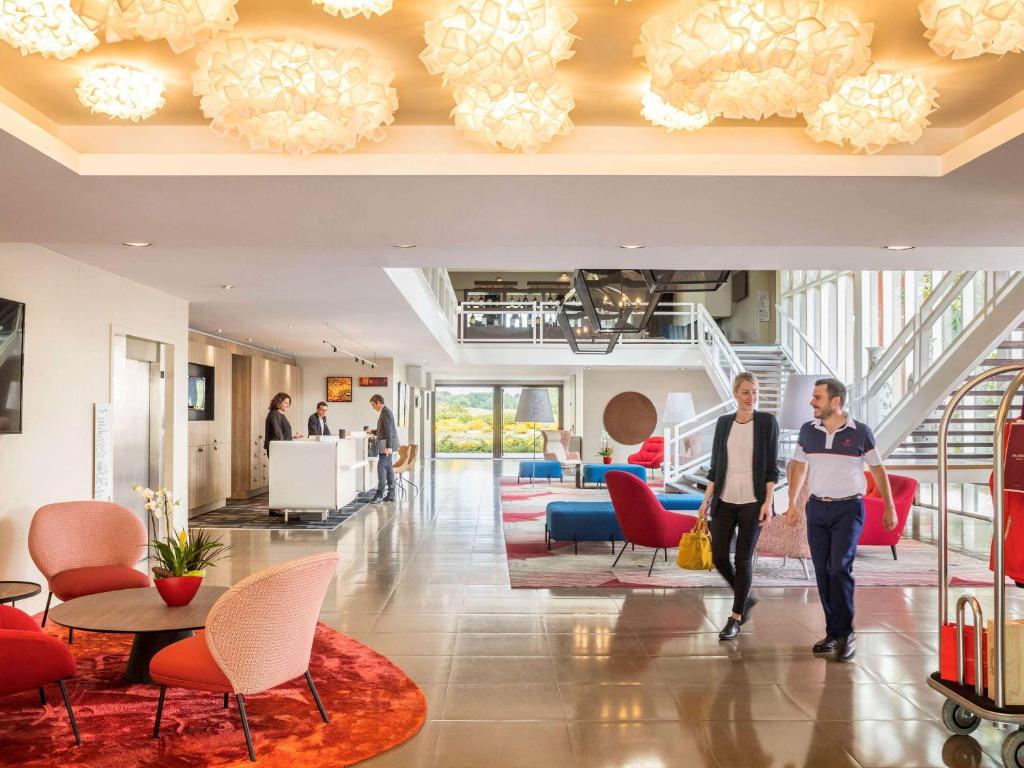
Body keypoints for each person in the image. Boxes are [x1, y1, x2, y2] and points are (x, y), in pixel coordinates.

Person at [786, 377, 897, 662]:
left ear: (835, 401)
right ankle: (833, 633)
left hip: (849, 510)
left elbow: (878, 470)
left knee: (839, 568)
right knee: (823, 571)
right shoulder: (808, 431)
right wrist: (792, 504)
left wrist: (890, 507)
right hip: (817, 509)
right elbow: (798, 466)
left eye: (817, 398)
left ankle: (845, 633)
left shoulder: (860, 432)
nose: (812, 402)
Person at [699, 372, 780, 641]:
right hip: (724, 498)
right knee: (719, 556)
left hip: (753, 502)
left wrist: (768, 502)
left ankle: (735, 617)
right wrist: (706, 500)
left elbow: (771, 468)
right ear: (735, 393)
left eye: (755, 392)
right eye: (746, 392)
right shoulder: (724, 423)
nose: (751, 397)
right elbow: (715, 464)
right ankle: (747, 598)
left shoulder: (768, 422)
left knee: (742, 558)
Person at [265, 392, 303, 517]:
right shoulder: (274, 414)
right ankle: (276, 507)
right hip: (278, 450)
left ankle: (279, 505)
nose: (287, 405)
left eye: (288, 403)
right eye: (285, 402)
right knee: (278, 478)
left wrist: (293, 437)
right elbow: (277, 434)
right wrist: (285, 447)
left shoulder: (280, 414)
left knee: (282, 477)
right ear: (279, 401)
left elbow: (282, 433)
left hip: (282, 449)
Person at [369, 394, 399, 503]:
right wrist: (372, 431)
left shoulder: (385, 411)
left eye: (373, 405)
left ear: (378, 402)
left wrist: (389, 447)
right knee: (389, 469)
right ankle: (391, 494)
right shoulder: (384, 411)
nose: (373, 407)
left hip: (386, 445)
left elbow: (389, 430)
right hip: (386, 444)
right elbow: (382, 430)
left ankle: (379, 495)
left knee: (381, 468)